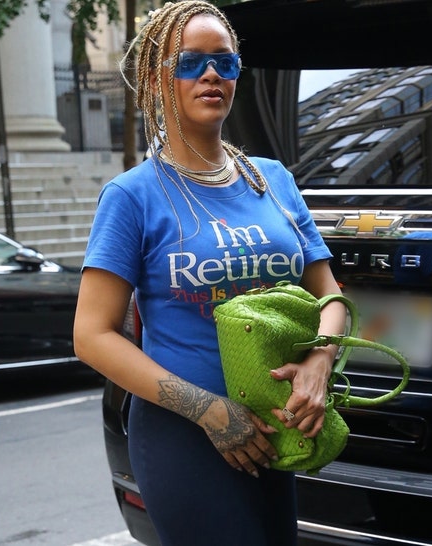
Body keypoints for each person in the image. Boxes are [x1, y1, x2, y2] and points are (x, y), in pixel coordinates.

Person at [73, 2, 346, 544]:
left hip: (276, 423)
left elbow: (331, 297)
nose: (212, 74)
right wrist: (209, 411)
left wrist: (319, 362)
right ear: (157, 80)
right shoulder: (132, 196)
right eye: (190, 63)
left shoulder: (272, 180)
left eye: (225, 61)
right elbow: (91, 335)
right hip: (183, 435)